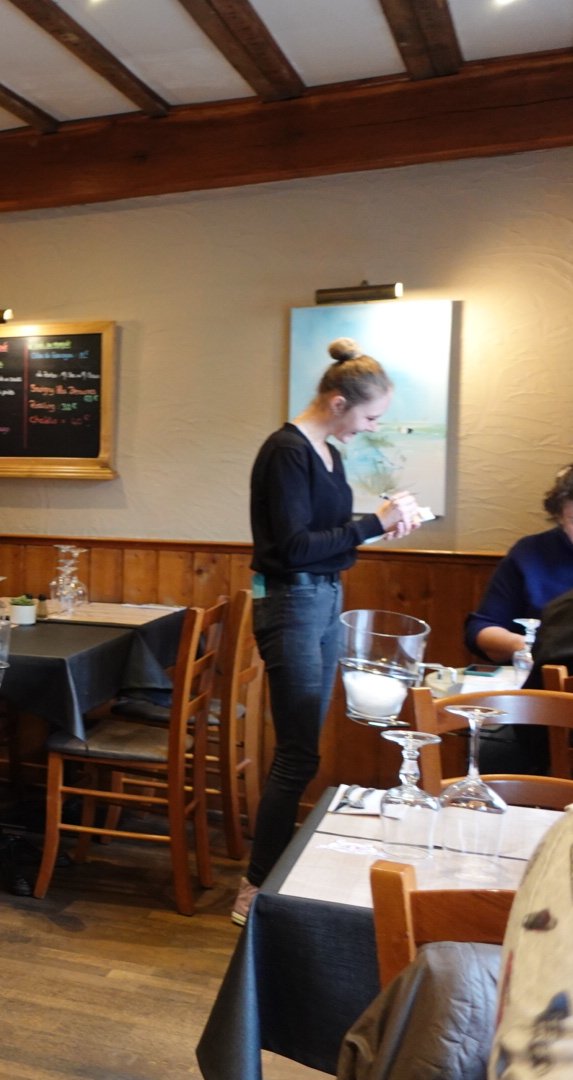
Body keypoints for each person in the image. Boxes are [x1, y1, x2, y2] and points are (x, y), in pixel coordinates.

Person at [235, 338, 423, 926]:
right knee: (298, 754)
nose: (371, 428)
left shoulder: (329, 454)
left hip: (324, 598)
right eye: (370, 417)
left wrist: (380, 524)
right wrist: (371, 524)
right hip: (290, 602)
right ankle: (255, 889)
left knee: (303, 751)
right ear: (338, 403)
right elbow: (292, 548)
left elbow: (328, 536)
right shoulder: (286, 452)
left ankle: (267, 880)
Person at [465, 463, 573, 662]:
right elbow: (482, 629)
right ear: (559, 517)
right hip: (545, 674)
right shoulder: (531, 552)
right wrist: (529, 648)